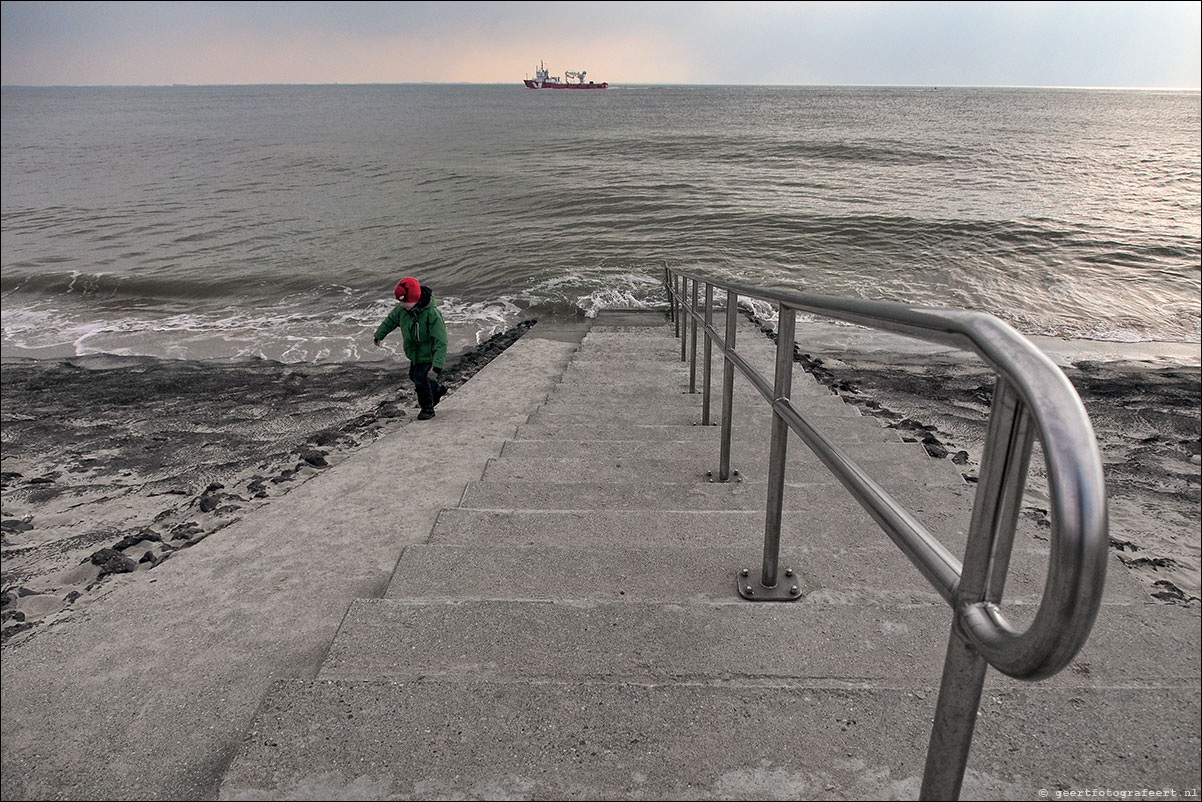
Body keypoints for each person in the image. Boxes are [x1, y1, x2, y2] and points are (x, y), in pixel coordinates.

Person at [373, 276, 448, 420]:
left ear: (416, 298)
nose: (402, 304)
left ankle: (427, 408)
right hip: (415, 354)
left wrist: (437, 365)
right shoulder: (402, 310)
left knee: (420, 378)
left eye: (405, 301)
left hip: (428, 354)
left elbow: (441, 341)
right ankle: (436, 391)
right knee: (413, 376)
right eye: (400, 301)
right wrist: (379, 335)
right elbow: (390, 321)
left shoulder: (431, 314)